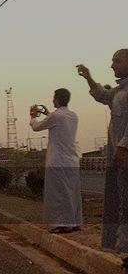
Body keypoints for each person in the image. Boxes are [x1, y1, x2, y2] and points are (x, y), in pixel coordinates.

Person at [79, 49, 128, 250]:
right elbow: (102, 95)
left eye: (117, 61)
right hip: (119, 159)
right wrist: (88, 77)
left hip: (123, 154)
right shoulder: (119, 91)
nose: (112, 65)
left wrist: (122, 146)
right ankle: (122, 246)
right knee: (121, 203)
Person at [29, 89, 82, 233]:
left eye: (54, 98)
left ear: (57, 99)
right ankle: (75, 222)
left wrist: (33, 117)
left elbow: (36, 127)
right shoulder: (73, 116)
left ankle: (61, 223)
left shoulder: (56, 116)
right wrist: (48, 114)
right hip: (72, 159)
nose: (52, 100)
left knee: (58, 194)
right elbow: (58, 123)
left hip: (58, 160)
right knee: (72, 192)